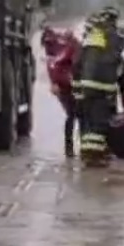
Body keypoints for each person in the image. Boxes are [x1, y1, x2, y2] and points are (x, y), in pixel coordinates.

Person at [71, 8, 123, 167]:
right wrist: (115, 91)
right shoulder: (113, 37)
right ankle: (95, 156)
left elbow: (77, 63)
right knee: (99, 123)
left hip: (86, 86)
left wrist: (77, 90)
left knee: (88, 121)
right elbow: (115, 65)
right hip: (102, 86)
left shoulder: (91, 36)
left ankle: (87, 153)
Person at [42, 27, 81, 157]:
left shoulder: (68, 47)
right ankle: (70, 147)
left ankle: (72, 147)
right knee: (73, 114)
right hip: (66, 86)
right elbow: (55, 66)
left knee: (74, 114)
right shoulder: (59, 52)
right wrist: (55, 83)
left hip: (69, 85)